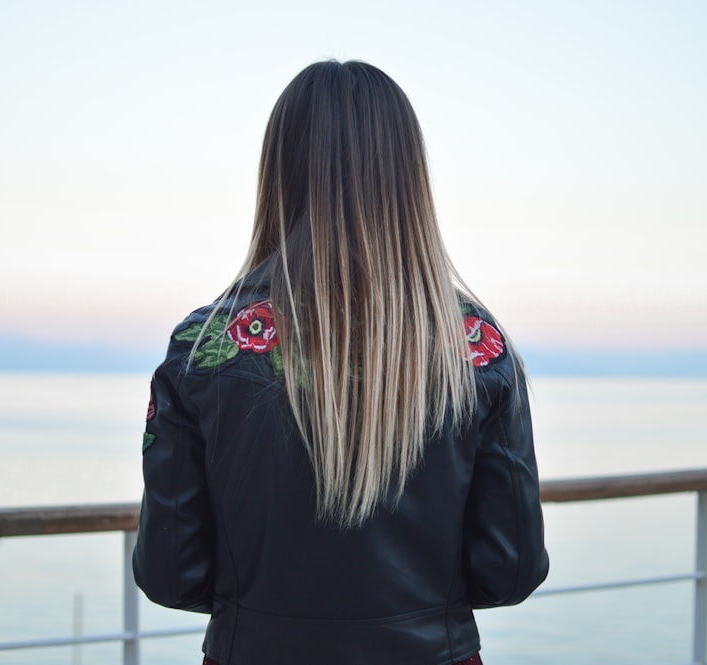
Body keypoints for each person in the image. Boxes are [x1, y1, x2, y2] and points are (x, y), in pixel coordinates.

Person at [132, 60, 548, 665]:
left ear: (279, 169)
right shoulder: (476, 349)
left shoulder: (206, 346)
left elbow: (170, 575)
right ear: (408, 176)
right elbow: (510, 572)